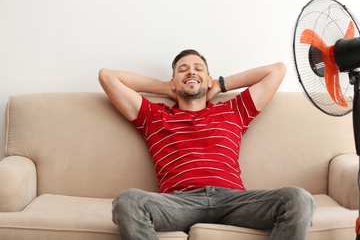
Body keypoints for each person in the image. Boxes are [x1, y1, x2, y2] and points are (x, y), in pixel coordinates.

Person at [98, 49, 315, 240]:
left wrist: (221, 85)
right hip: (179, 203)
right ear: (173, 81)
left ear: (208, 79)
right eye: (183, 70)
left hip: (232, 200)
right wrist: (166, 88)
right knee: (128, 202)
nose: (191, 72)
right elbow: (107, 76)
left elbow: (277, 70)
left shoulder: (233, 111)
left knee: (298, 199)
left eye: (198, 69)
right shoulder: (154, 116)